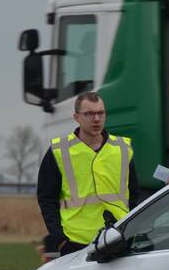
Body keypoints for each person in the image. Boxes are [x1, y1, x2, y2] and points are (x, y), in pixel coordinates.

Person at [37, 91, 139, 257]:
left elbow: (134, 194)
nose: (96, 119)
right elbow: (46, 199)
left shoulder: (122, 148)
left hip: (117, 238)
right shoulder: (59, 151)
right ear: (76, 117)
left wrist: (131, 231)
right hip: (75, 242)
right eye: (89, 114)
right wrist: (60, 240)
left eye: (100, 113)